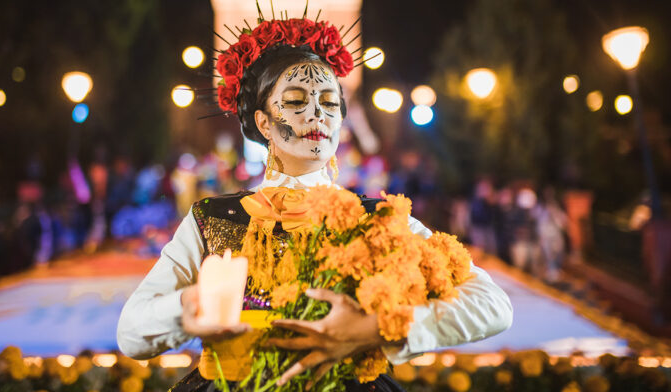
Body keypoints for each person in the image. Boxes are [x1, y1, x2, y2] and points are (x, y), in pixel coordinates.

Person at [117, 13, 512, 392]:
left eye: (329, 101)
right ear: (263, 123)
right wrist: (189, 305)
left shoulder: (377, 218)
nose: (317, 114)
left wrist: (377, 328)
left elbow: (493, 305)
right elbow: (131, 333)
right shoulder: (214, 217)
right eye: (295, 100)